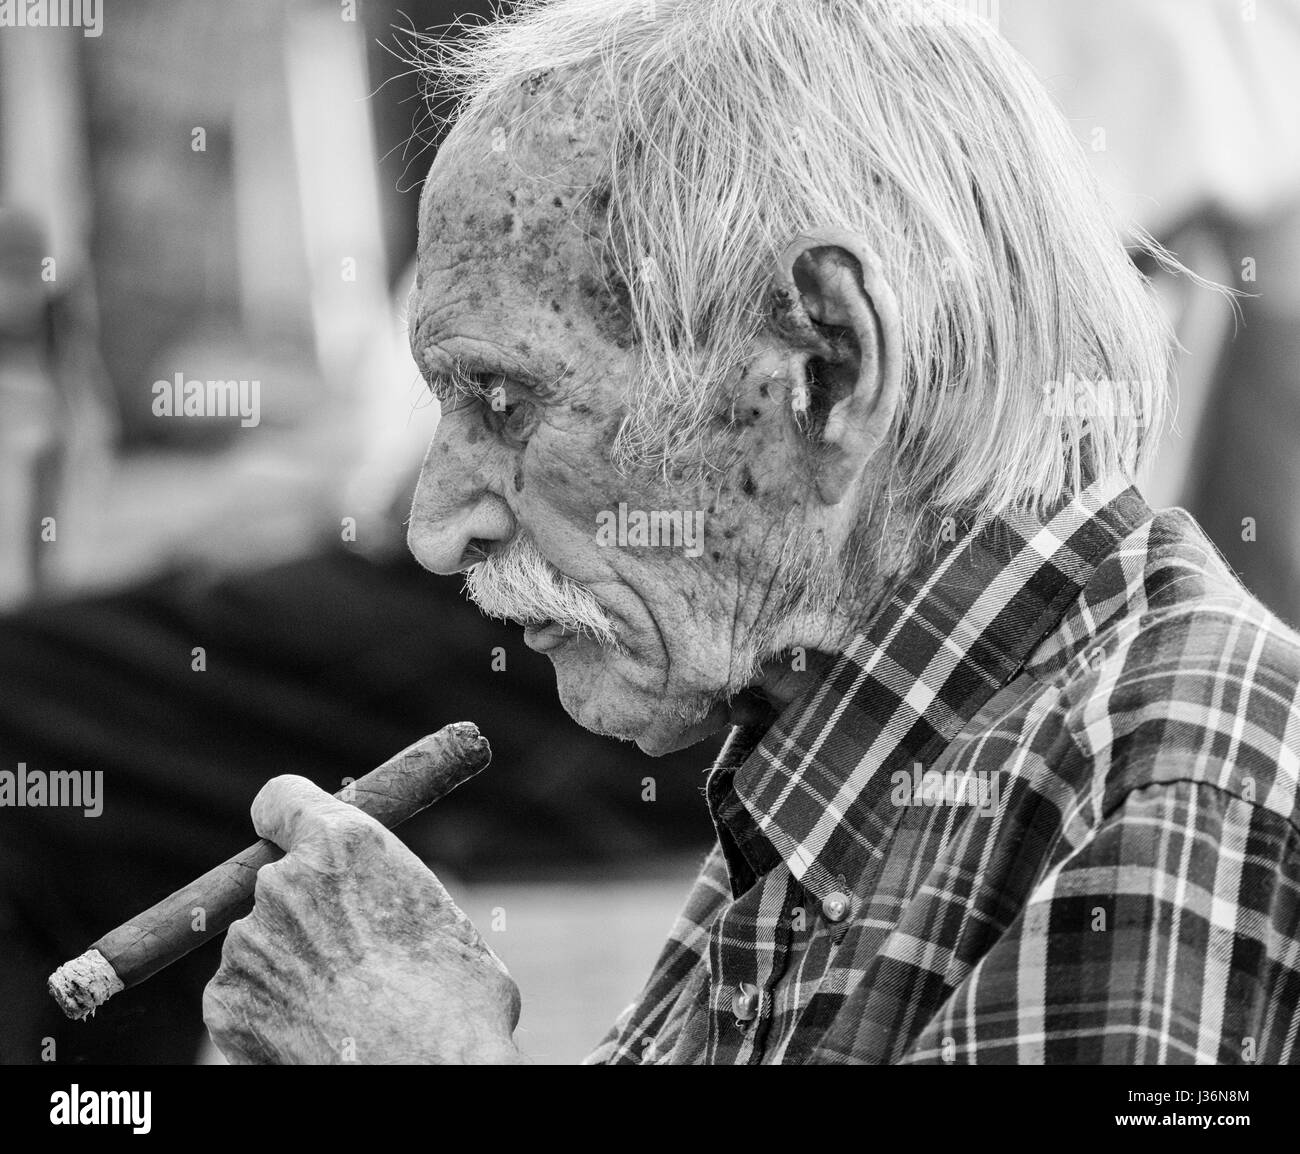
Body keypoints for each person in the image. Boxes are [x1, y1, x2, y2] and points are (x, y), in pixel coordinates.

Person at [202, 0, 1300, 1064]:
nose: (438, 528)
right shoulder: (818, 757)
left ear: (825, 369)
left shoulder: (1167, 786)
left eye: (504, 398)